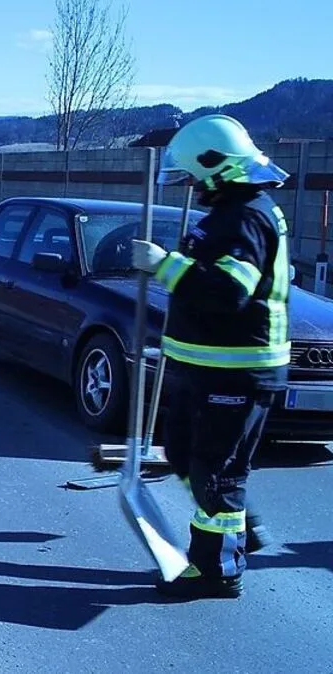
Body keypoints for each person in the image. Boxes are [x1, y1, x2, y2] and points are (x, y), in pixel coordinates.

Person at [131, 114, 291, 600]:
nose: (192, 188)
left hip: (236, 372)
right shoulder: (230, 212)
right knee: (184, 455)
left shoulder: (245, 217)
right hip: (205, 368)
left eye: (195, 178)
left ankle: (216, 569)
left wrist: (165, 265)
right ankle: (238, 532)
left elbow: (228, 291)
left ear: (218, 167)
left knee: (216, 470)